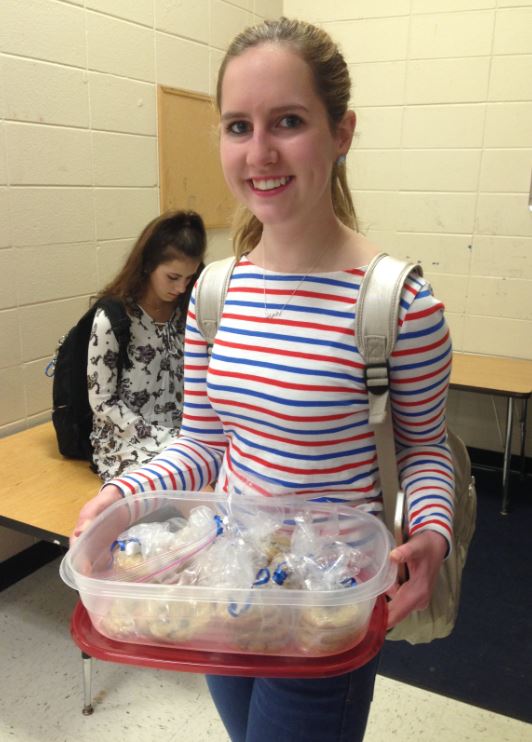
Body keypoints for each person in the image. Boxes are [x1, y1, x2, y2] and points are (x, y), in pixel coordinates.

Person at [72, 17, 454, 742]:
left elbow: (426, 449)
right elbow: (205, 444)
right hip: (230, 581)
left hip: (327, 607)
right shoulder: (215, 295)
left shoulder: (397, 303)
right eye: (238, 126)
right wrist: (123, 496)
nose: (260, 152)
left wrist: (429, 533)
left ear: (341, 133)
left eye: (288, 121)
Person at [87, 210, 206, 479]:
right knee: (171, 486)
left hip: (183, 436)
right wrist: (166, 439)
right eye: (173, 277)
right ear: (148, 265)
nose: (181, 288)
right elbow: (102, 402)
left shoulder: (189, 310)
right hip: (124, 441)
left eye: (189, 278)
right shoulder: (113, 317)